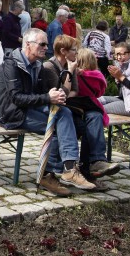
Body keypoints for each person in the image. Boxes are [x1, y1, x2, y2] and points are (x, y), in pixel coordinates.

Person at [0, 28, 97, 196]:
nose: (46, 48)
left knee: (68, 116)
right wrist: (47, 97)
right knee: (60, 122)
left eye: (47, 44)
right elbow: (16, 98)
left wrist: (55, 93)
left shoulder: (37, 65)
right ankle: (55, 173)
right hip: (8, 113)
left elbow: (42, 94)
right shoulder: (12, 64)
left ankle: (66, 170)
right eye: (42, 44)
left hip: (26, 109)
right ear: (28, 44)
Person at [43, 35, 119, 182]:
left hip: (71, 107)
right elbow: (61, 95)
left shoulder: (71, 65)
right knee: (87, 126)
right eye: (74, 50)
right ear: (63, 51)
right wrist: (70, 74)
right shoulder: (49, 67)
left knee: (95, 116)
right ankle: (79, 169)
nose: (77, 53)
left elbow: (74, 91)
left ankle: (96, 162)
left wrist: (68, 86)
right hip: (56, 111)